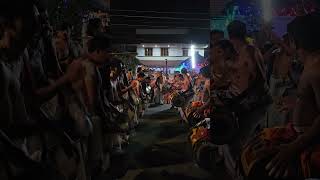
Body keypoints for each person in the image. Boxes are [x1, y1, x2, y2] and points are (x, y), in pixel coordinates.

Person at [241, 13, 320, 179]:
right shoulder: (311, 63)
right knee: (254, 149)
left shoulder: (315, 69)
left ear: (297, 42)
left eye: (290, 41)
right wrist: (298, 102)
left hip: (309, 141)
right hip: (299, 134)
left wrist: (293, 147)